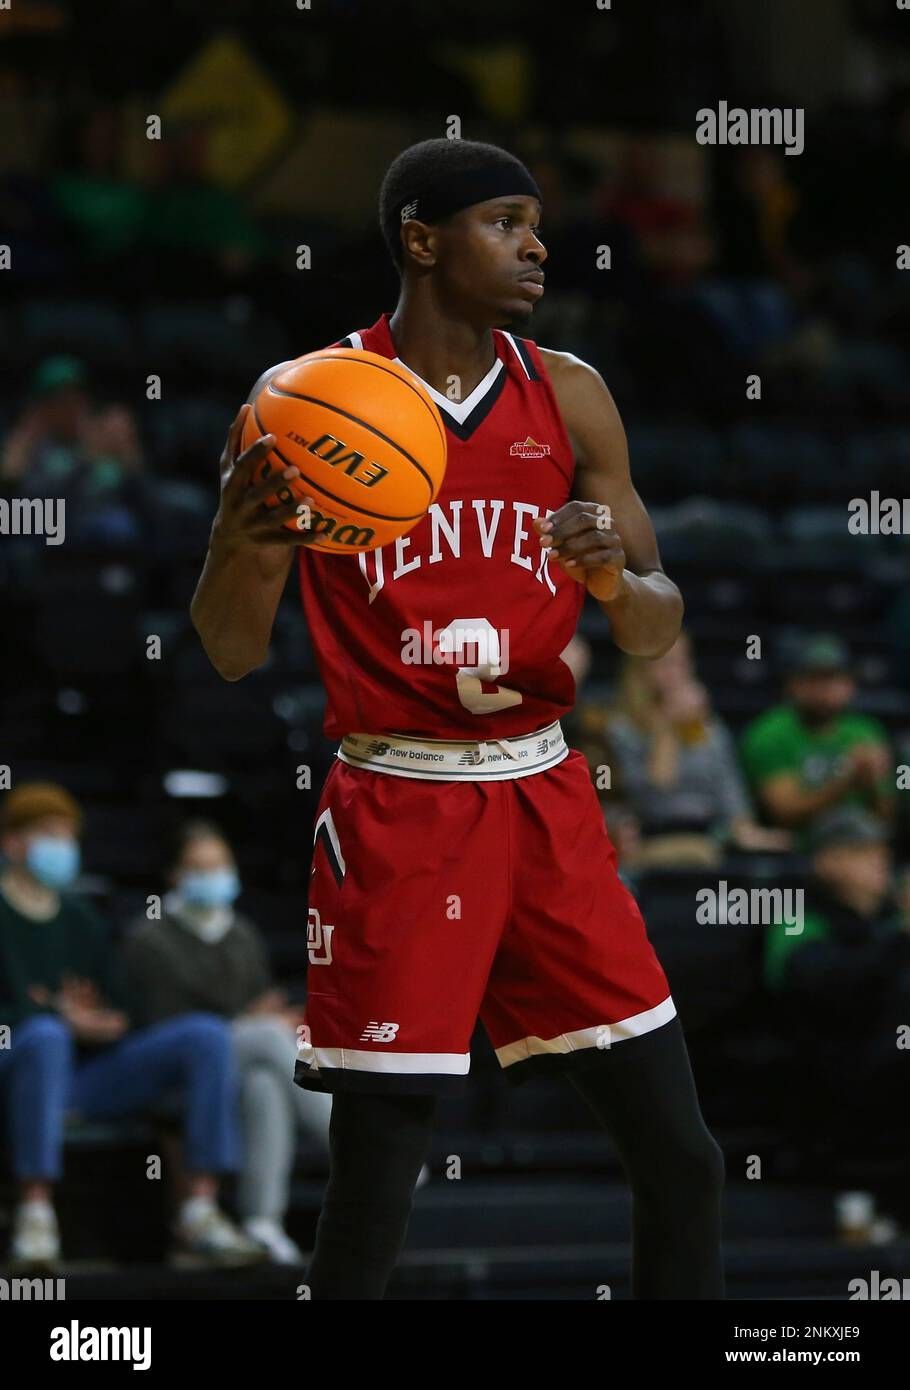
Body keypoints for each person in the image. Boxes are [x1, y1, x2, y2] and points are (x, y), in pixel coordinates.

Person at [191, 138, 725, 1300]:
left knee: (682, 1157)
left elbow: (655, 624)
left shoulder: (569, 390)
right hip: (397, 800)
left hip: (542, 792)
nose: (536, 244)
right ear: (420, 241)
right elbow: (230, 654)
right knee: (378, 1175)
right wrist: (240, 536)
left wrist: (612, 584)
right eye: (502, 221)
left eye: (536, 222)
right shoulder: (304, 403)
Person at [0, 783, 263, 1269]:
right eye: (48, 834)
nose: (62, 847)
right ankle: (35, 1215)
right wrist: (53, 1016)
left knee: (205, 1034)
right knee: (46, 1037)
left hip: (87, 1079)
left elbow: (124, 1008)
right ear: (12, 842)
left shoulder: (81, 917)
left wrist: (106, 1020)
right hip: (20, 1067)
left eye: (68, 835)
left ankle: (200, 1209)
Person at [120, 819, 333, 1265]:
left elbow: (261, 998)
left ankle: (261, 1221)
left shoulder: (242, 934)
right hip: (178, 1067)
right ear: (175, 875)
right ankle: (359, 1146)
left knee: (263, 1084)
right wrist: (252, 1019)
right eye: (199, 867)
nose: (212, 877)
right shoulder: (149, 937)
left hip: (240, 1062)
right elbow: (165, 1027)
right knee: (266, 1036)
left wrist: (261, 1016)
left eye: (219, 866)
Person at [764, 807, 910, 1220]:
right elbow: (818, 983)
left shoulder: (889, 923)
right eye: (862, 851)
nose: (880, 861)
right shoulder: (795, 914)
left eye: (881, 851)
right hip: (830, 1072)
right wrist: (901, 937)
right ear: (826, 860)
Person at [600, 632, 791, 868]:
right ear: (640, 670)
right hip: (649, 838)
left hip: (709, 838)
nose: (676, 674)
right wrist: (666, 729)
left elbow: (727, 785)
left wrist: (745, 831)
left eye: (682, 662)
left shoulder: (708, 728)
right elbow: (653, 798)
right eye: (665, 663)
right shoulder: (622, 729)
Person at [740, 634, 894, 844]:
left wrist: (874, 783)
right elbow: (784, 811)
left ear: (850, 685)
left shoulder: (865, 730)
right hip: (798, 848)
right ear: (793, 684)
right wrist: (847, 779)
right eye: (814, 679)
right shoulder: (770, 732)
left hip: (862, 845)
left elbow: (885, 817)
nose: (826, 690)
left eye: (834, 678)